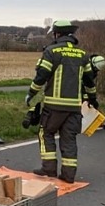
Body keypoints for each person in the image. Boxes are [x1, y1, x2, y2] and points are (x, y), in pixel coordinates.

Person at [23, 20, 99, 184]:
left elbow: (41, 75)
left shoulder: (52, 51)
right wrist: (93, 99)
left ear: (57, 34)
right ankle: (68, 175)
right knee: (69, 138)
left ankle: (49, 169)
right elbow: (89, 81)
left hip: (54, 106)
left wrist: (31, 93)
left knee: (46, 133)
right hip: (74, 107)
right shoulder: (82, 54)